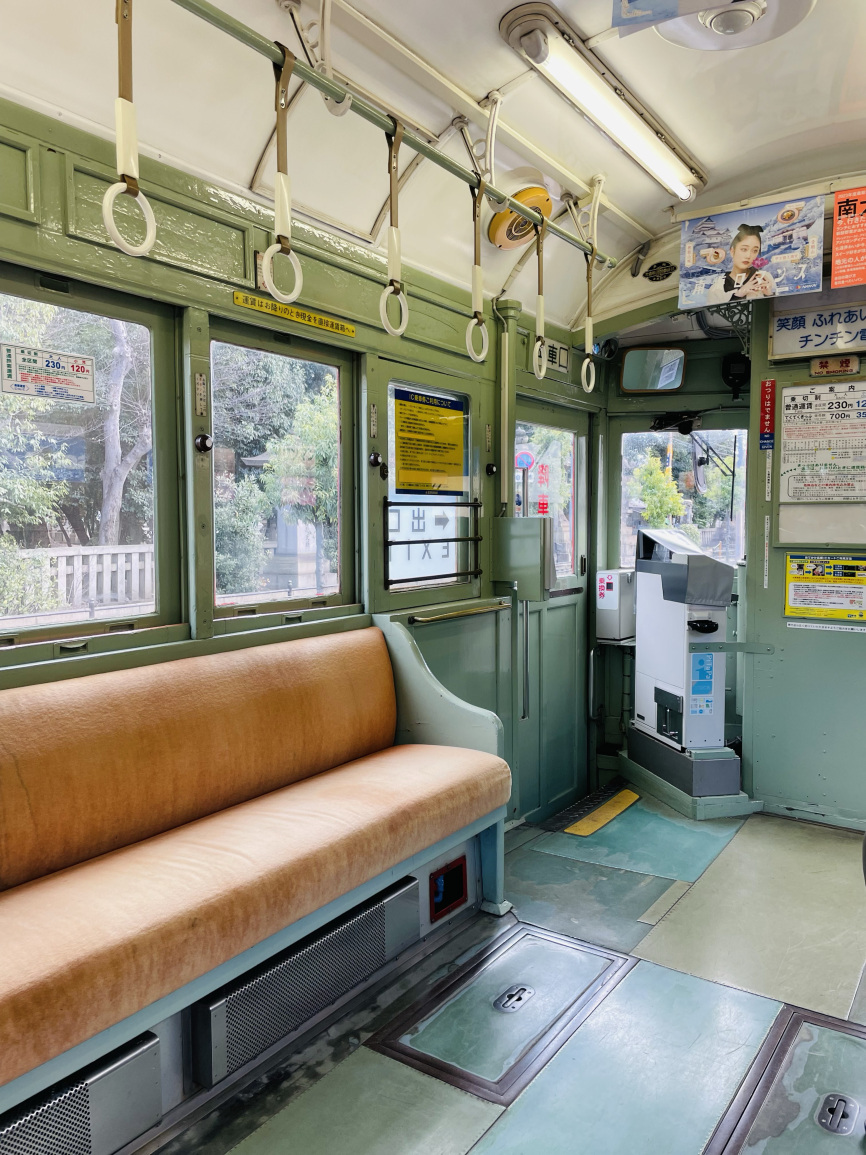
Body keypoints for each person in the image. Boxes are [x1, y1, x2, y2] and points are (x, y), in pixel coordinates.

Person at [706, 223, 776, 303]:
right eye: (744, 249)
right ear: (732, 251)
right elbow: (713, 314)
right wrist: (738, 295)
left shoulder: (765, 278)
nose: (748, 256)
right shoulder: (717, 288)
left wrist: (769, 294)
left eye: (755, 251)